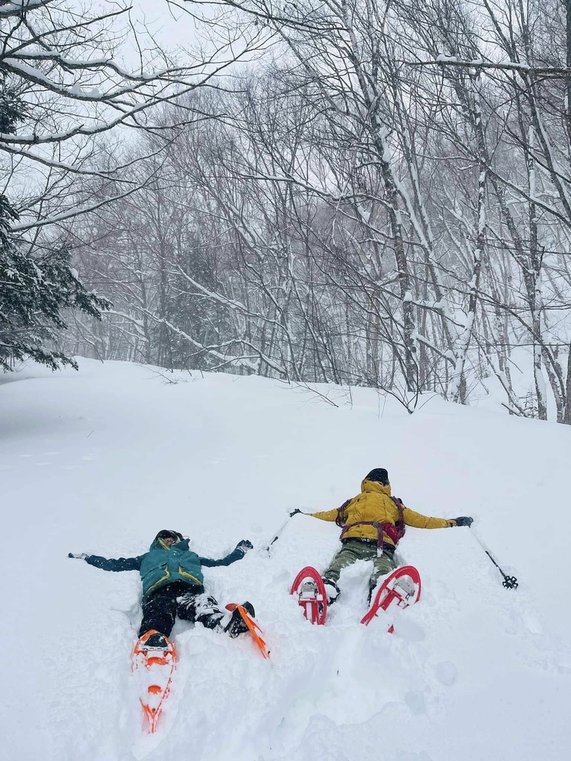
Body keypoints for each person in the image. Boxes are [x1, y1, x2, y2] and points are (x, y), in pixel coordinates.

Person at [291, 468, 473, 604]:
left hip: (353, 541)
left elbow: (331, 514)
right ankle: (380, 590)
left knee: (340, 562)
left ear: (366, 482)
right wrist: (453, 522)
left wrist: (305, 515)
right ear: (386, 485)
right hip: (382, 544)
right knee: (383, 567)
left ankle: (328, 584)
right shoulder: (394, 503)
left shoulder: (355, 500)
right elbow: (422, 520)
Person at [69, 529, 254, 646]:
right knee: (158, 609)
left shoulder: (191, 556)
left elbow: (221, 562)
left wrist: (240, 551)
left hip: (189, 590)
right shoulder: (147, 557)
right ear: (158, 541)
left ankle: (227, 625)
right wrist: (88, 558)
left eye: (172, 538)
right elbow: (115, 564)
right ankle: (153, 638)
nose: (169, 540)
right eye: (165, 538)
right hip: (160, 590)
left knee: (203, 603)